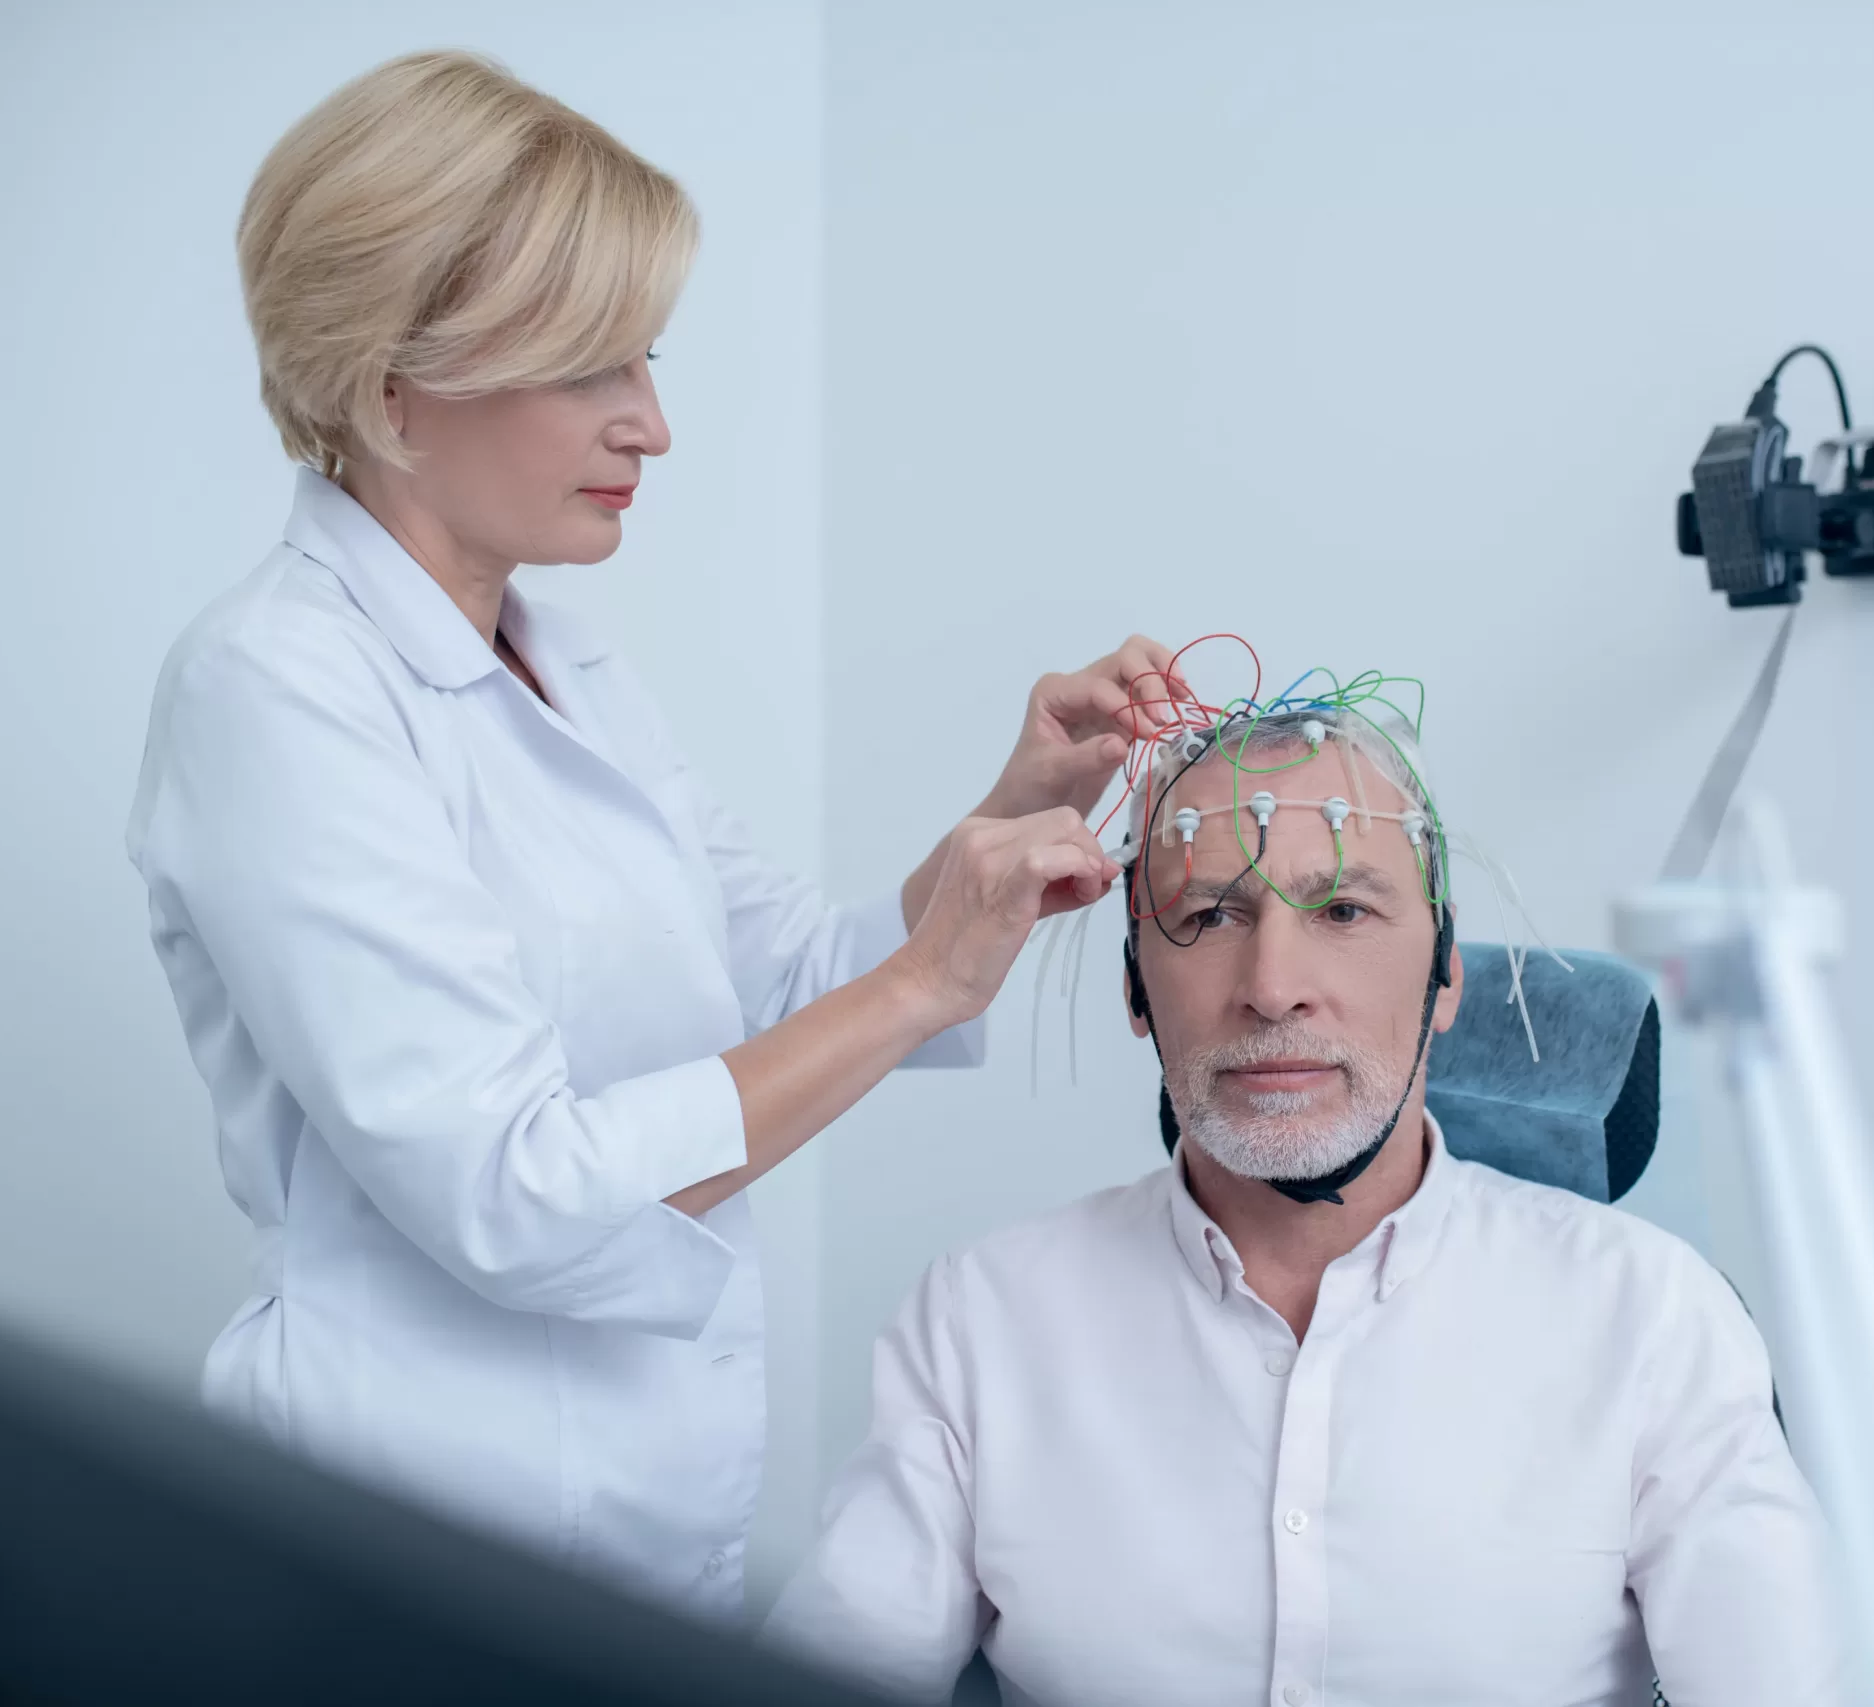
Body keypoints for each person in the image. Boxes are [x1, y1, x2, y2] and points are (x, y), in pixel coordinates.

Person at [124, 48, 1164, 1618]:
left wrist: (1013, 812)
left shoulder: (561, 655)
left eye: (648, 359)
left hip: (629, 1531)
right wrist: (921, 986)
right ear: (392, 381)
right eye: (593, 367)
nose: (656, 425)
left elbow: (780, 977)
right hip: (393, 1549)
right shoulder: (273, 689)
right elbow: (514, 1188)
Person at [770, 698, 1845, 1706]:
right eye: (1208, 916)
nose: (1272, 983)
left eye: (1342, 907)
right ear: (1135, 989)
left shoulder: (1652, 1316)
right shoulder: (981, 1322)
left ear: (1447, 980)